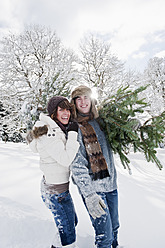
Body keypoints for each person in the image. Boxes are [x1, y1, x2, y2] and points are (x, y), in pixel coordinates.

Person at [70, 85, 121, 248]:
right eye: (79, 99)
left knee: (114, 229)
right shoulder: (74, 128)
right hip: (94, 191)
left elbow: (121, 136)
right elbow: (77, 166)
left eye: (86, 97)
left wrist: (135, 126)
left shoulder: (102, 122)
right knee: (104, 236)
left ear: (92, 100)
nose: (83, 102)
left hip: (111, 187)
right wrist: (89, 195)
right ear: (74, 103)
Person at [26, 96, 80, 248]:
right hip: (56, 192)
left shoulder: (56, 128)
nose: (66, 113)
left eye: (68, 109)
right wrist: (73, 135)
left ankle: (57, 245)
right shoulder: (48, 132)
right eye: (61, 109)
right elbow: (65, 159)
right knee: (68, 234)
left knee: (71, 223)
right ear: (53, 113)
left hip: (57, 189)